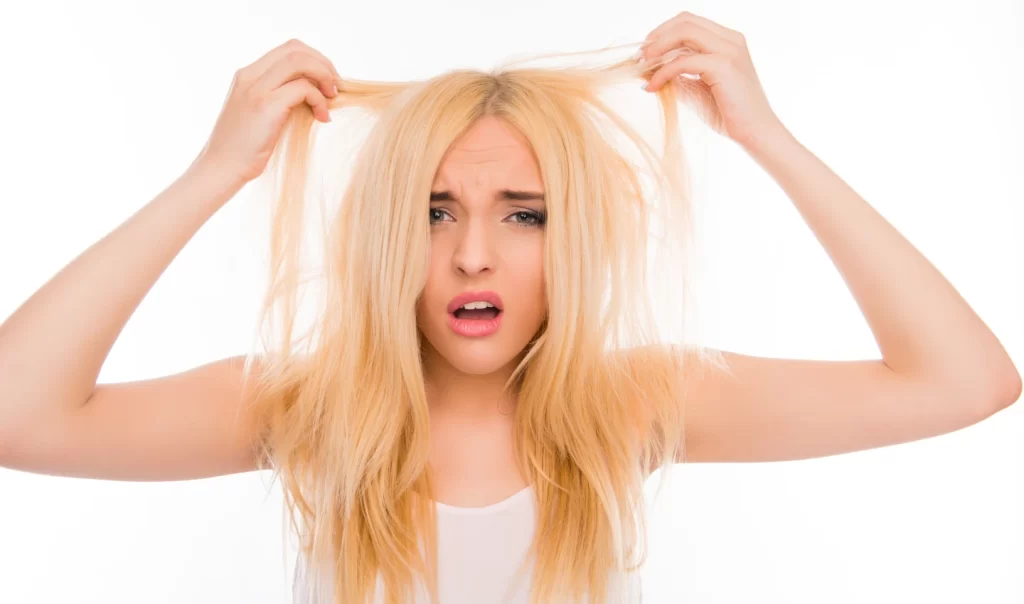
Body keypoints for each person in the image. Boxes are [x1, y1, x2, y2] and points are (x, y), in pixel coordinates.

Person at [0, 10, 1019, 604]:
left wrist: (767, 137)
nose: (474, 255)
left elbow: (963, 382)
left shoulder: (631, 403)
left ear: (569, 237)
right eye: (434, 211)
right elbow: (18, 414)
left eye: (523, 215)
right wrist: (214, 170)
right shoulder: (307, 408)